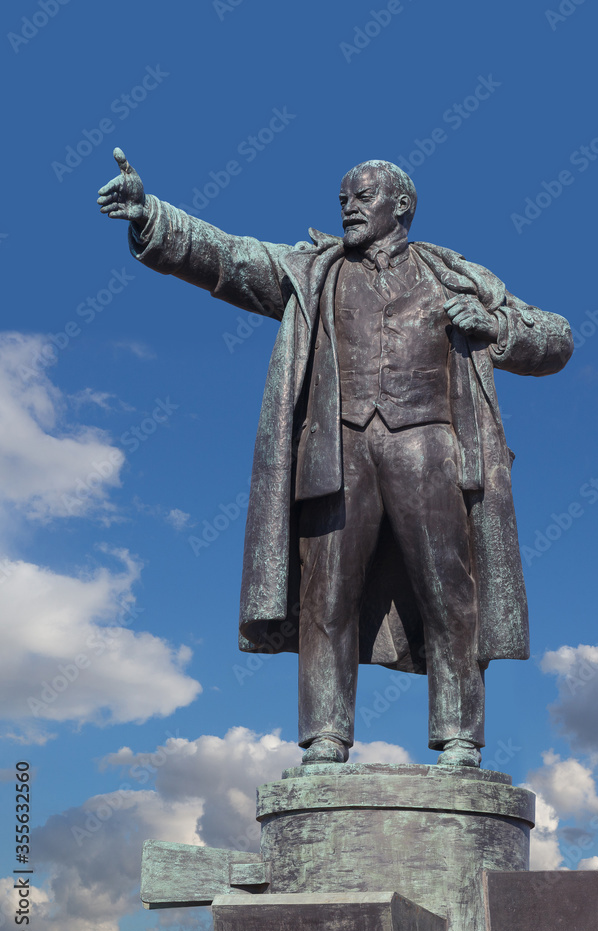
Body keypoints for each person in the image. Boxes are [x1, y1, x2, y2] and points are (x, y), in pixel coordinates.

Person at [98, 150, 572, 767]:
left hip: (430, 444)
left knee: (450, 591)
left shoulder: (455, 276)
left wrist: (492, 326)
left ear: (400, 206)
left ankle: (459, 738)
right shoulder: (313, 271)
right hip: (336, 447)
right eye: (343, 196)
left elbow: (555, 338)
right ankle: (326, 736)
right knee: (327, 591)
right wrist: (151, 215)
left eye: (362, 195)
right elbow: (227, 257)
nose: (347, 205)